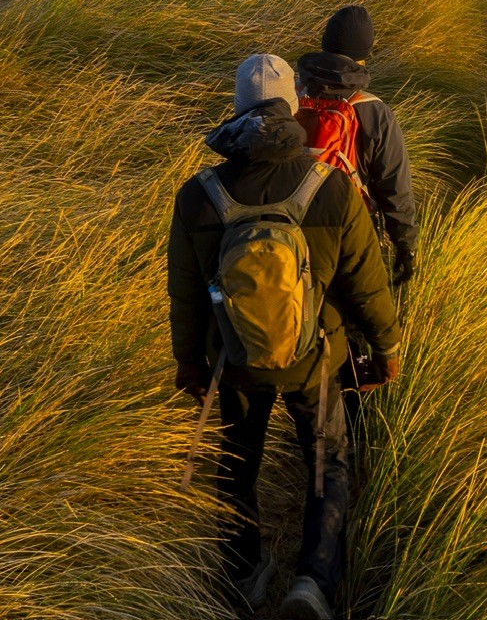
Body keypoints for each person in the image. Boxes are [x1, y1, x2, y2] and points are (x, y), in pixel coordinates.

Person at [170, 54, 401, 620]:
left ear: (237, 108)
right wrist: (386, 348)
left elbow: (187, 296)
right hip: (316, 358)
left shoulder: (198, 194)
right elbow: (365, 286)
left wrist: (191, 365)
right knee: (328, 463)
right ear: (294, 106)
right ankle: (313, 583)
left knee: (238, 461)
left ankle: (246, 572)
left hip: (237, 358)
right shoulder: (332, 187)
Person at [295, 5, 419, 289]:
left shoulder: (290, 95)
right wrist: (405, 246)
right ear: (366, 51)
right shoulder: (374, 111)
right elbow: (395, 188)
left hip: (288, 226)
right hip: (350, 230)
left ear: (325, 44)